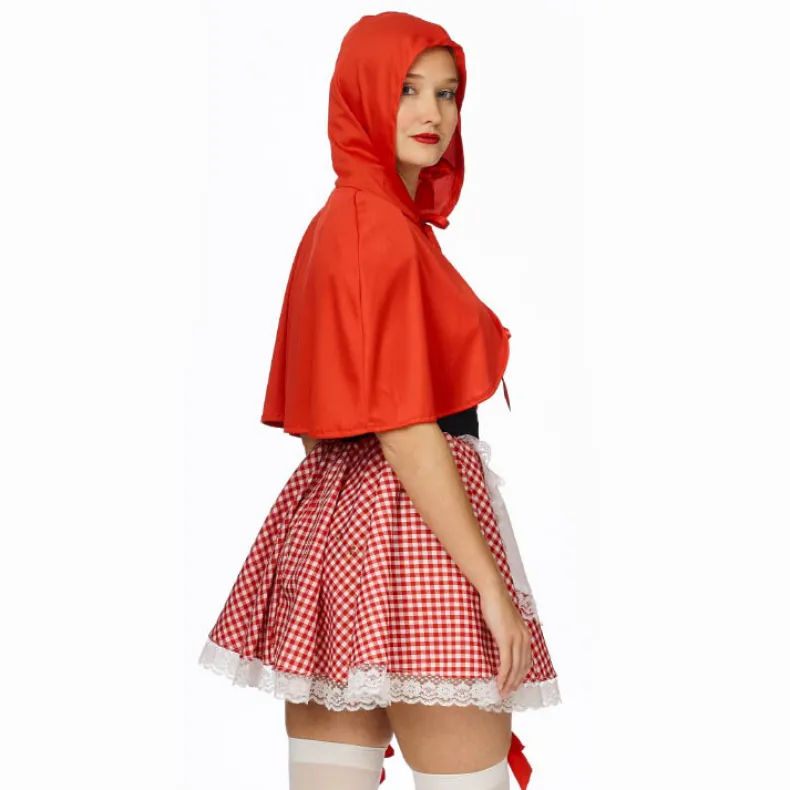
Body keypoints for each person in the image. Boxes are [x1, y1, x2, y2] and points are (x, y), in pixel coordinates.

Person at [198, 11, 561, 790]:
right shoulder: (380, 228)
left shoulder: (342, 222)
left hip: (329, 536)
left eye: (447, 92)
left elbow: (319, 419)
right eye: (407, 90)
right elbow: (403, 428)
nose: (432, 113)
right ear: (362, 95)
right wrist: (492, 593)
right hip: (420, 534)